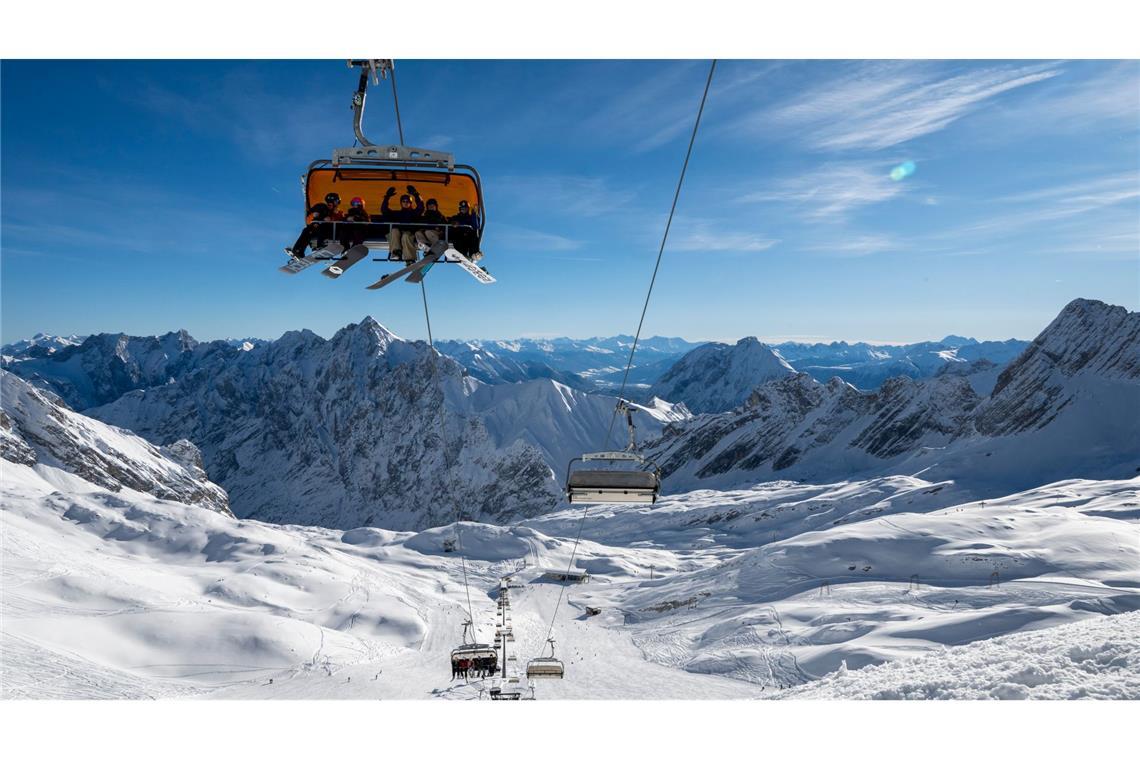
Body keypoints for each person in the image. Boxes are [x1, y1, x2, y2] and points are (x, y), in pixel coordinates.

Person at [286, 192, 344, 258]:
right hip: (320, 229)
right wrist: (318, 216)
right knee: (308, 230)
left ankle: (316, 246)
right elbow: (312, 215)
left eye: (334, 203)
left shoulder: (337, 212)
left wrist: (331, 218)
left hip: (332, 232)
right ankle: (298, 251)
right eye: (335, 202)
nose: (330, 205)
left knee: (316, 229)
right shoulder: (322, 207)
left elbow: (340, 222)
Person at [379, 184, 424, 263]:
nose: (405, 203)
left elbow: (421, 207)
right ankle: (396, 252)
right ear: (401, 203)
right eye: (403, 201)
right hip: (397, 234)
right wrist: (387, 197)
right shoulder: (397, 214)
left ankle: (409, 259)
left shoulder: (414, 213)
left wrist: (416, 194)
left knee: (406, 236)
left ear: (410, 203)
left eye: (408, 201)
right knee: (394, 230)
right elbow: (384, 210)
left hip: (409, 233)